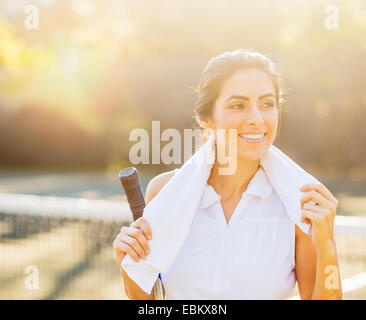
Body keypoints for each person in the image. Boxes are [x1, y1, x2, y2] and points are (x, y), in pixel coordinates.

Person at [113, 49, 342, 300]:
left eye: (267, 104)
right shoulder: (165, 191)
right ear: (205, 118)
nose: (256, 118)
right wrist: (128, 263)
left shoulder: (299, 203)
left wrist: (327, 245)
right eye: (238, 105)